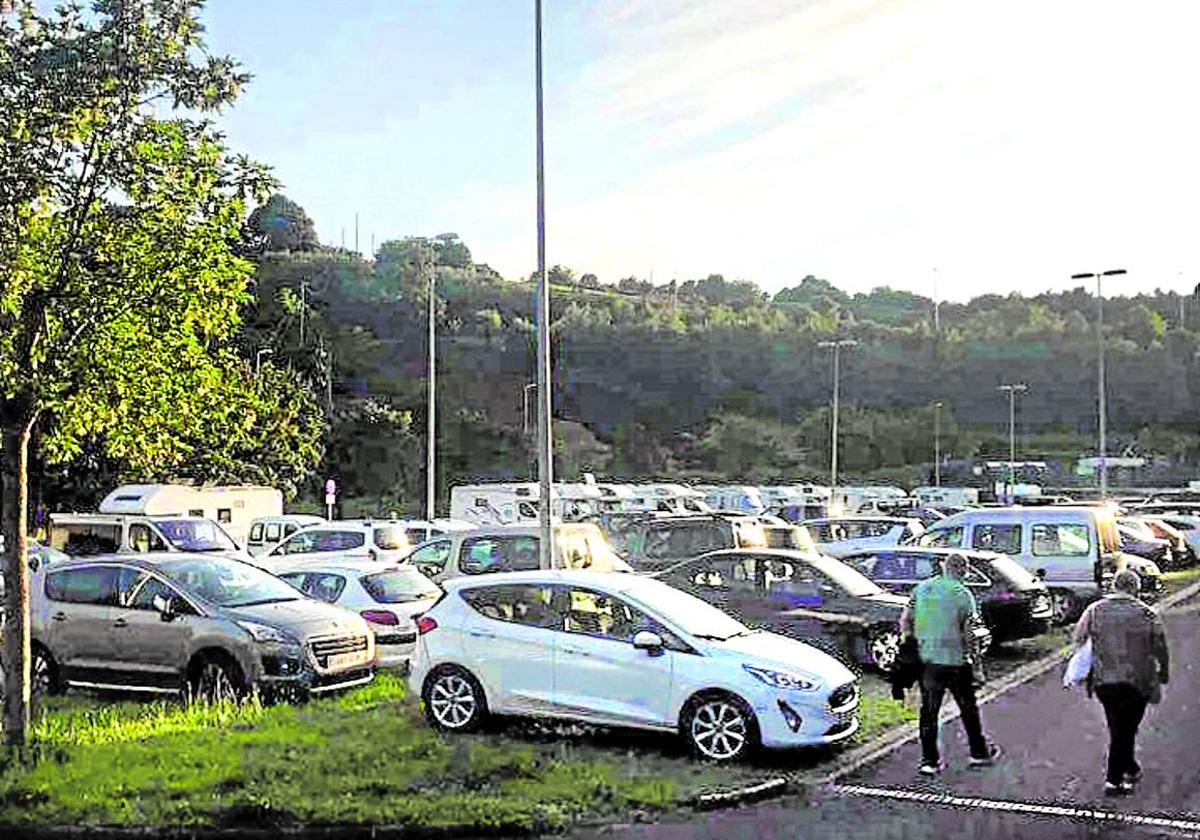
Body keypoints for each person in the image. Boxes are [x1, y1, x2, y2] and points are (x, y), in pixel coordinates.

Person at [900, 552, 1000, 775]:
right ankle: (978, 753)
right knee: (967, 709)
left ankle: (929, 761)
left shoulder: (922, 588)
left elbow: (906, 620)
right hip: (955, 661)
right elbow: (970, 633)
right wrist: (977, 667)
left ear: (944, 567)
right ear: (964, 570)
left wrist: (910, 645)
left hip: (928, 660)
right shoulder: (963, 594)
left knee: (929, 712)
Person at [1071, 569, 1169, 796]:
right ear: (1136, 588)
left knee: (1118, 726)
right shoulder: (1147, 613)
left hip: (1105, 680)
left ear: (1115, 586)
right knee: (1126, 728)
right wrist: (1163, 672)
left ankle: (1130, 767)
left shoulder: (1095, 610)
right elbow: (1160, 646)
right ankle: (1114, 780)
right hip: (1138, 680)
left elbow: (1078, 638)